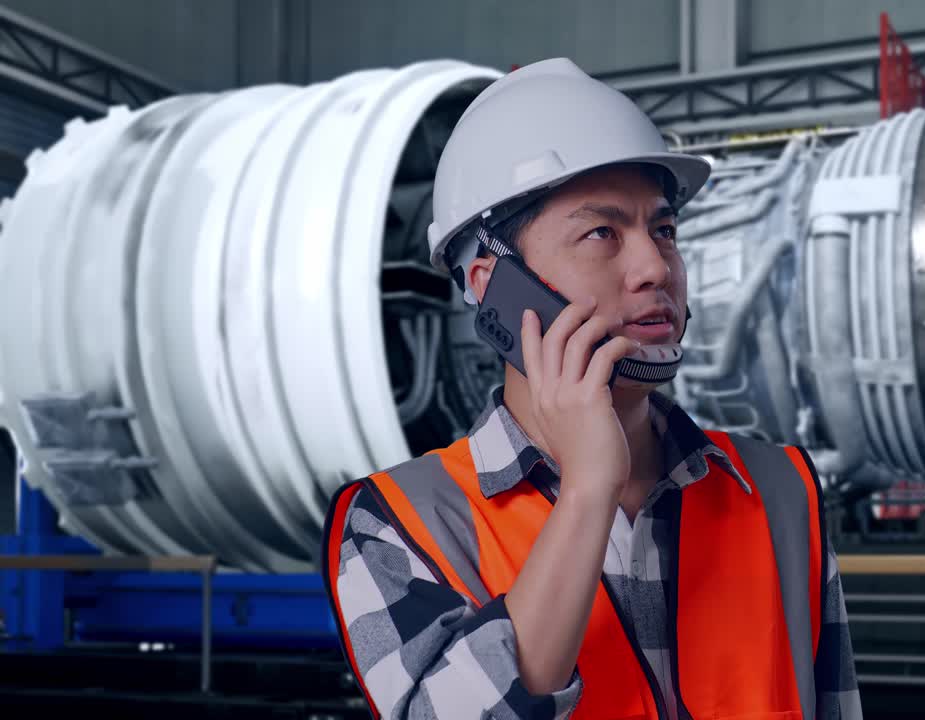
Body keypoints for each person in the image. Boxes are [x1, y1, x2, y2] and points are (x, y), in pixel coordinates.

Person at [322, 57, 862, 720]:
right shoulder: (399, 523)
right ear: (491, 286)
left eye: (664, 229)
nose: (654, 266)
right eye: (602, 232)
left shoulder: (780, 492)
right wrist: (587, 491)